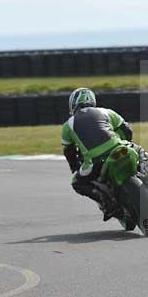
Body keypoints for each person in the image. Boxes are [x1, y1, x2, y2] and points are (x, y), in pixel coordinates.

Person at [61, 87, 134, 219]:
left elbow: (68, 150)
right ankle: (146, 169)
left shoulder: (68, 125)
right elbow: (126, 129)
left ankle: (106, 202)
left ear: (73, 104)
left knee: (77, 182)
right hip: (118, 148)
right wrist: (124, 141)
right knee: (137, 150)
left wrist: (74, 167)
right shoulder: (106, 112)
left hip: (95, 162)